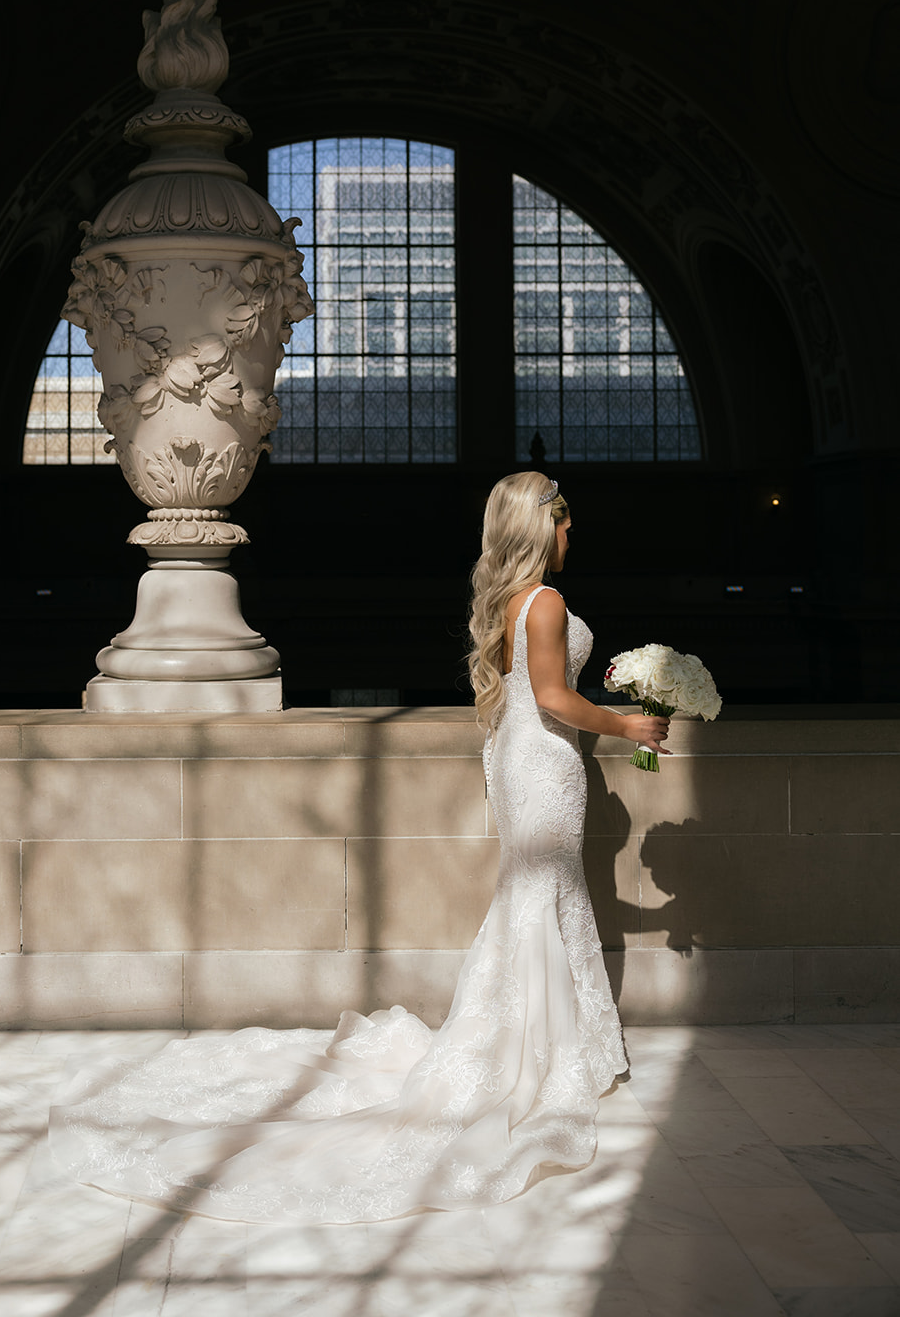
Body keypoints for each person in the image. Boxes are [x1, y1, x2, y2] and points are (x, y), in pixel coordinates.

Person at [49, 470, 669, 1223]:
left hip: (521, 757)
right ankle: (532, 1051)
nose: (574, 536)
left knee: (540, 893)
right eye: (567, 524)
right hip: (539, 758)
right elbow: (550, 696)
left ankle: (547, 1039)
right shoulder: (545, 603)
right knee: (541, 891)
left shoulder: (516, 600)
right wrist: (628, 723)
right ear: (545, 527)